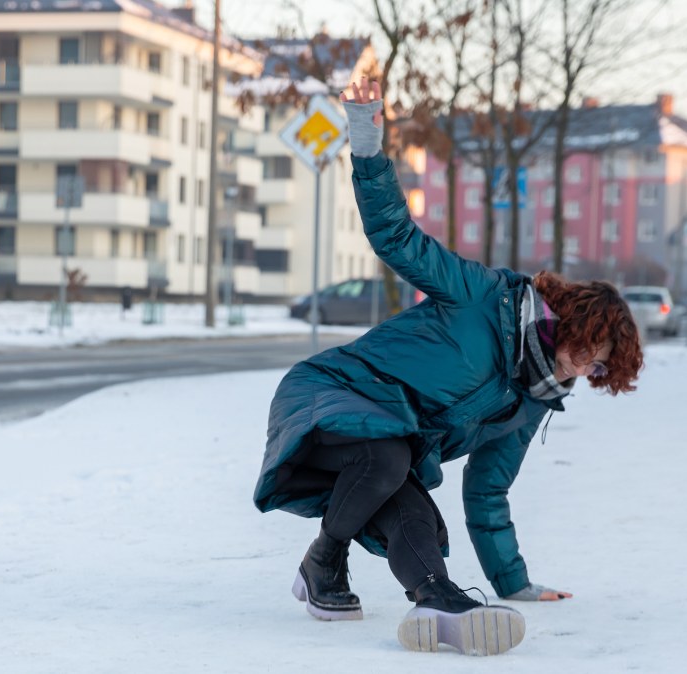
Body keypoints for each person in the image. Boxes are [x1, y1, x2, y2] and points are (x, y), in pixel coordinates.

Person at [253, 77, 644, 656]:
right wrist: (365, 136)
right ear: (572, 319)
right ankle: (325, 561)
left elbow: (488, 490)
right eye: (591, 349)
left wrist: (515, 583)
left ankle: (438, 600)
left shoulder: (531, 399)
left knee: (420, 526)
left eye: (599, 368)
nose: (585, 368)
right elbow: (397, 238)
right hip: (328, 393)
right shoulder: (482, 296)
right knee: (385, 452)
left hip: (383, 449)